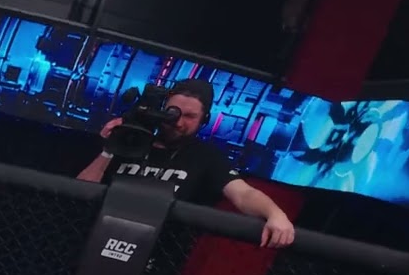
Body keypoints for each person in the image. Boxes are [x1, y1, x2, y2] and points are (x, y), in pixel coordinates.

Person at [77, 79, 296, 249]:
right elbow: (80, 190)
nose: (179, 122)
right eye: (173, 113)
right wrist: (110, 148)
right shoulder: (130, 140)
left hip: (158, 255)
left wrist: (275, 214)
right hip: (95, 239)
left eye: (190, 116)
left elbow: (243, 194)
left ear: (204, 120)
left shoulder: (205, 156)